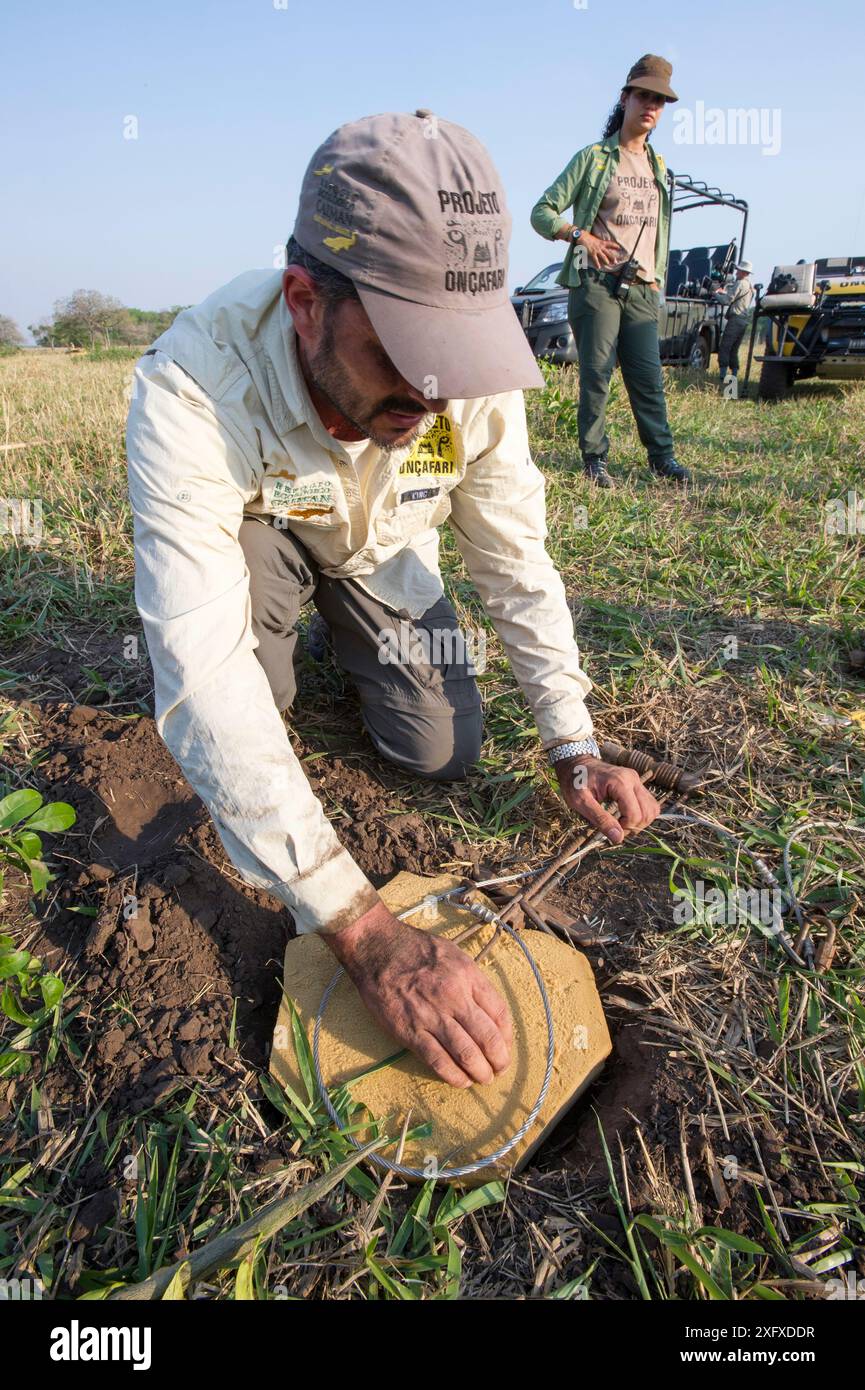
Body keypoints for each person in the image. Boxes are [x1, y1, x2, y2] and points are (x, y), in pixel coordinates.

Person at [126, 110, 661, 1090]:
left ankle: (348, 630)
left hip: (383, 560)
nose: (437, 396)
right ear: (304, 302)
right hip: (271, 535)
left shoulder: (464, 379)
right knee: (250, 702)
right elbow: (201, 674)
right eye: (406, 354)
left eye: (452, 359)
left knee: (439, 746)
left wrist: (572, 741)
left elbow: (514, 558)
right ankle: (287, 633)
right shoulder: (193, 388)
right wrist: (360, 928)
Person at [530, 55, 690, 488]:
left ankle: (663, 458)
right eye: (643, 95)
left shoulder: (658, 167)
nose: (651, 106)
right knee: (596, 374)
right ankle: (595, 459)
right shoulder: (594, 158)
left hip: (641, 288)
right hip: (597, 284)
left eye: (659, 100)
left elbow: (658, 230)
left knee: (648, 378)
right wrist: (581, 235)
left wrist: (657, 276)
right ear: (625, 98)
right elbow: (541, 212)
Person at [714, 259, 755, 390]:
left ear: (743, 272)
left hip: (735, 319)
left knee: (725, 347)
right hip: (743, 320)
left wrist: (715, 294)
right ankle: (733, 378)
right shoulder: (749, 285)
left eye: (739, 270)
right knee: (734, 350)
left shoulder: (740, 283)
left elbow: (727, 300)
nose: (737, 272)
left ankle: (723, 377)